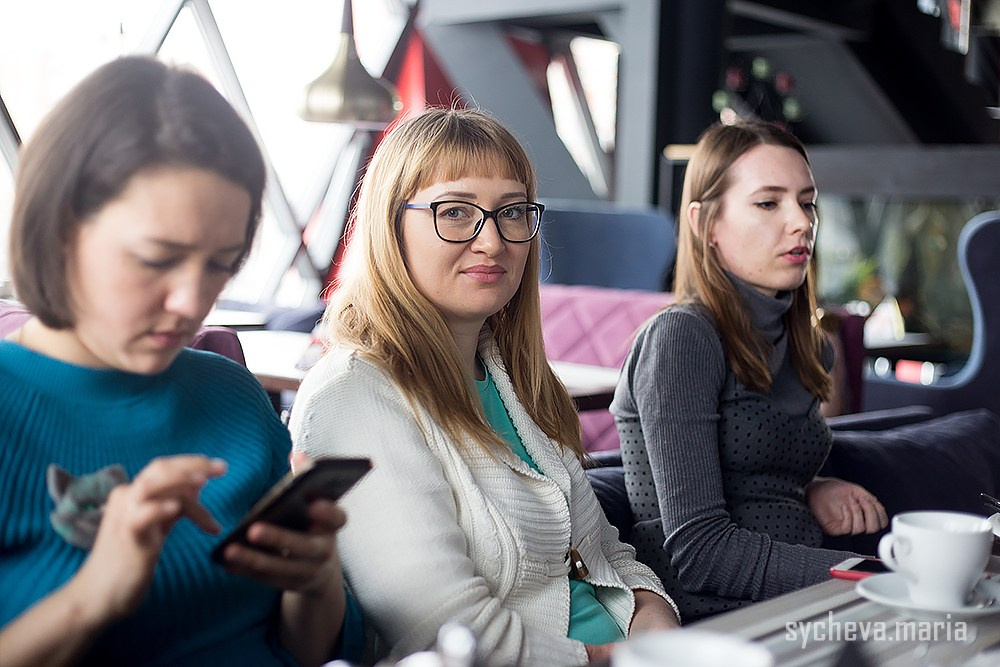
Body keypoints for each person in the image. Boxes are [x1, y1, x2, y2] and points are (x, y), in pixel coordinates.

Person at [288, 107, 679, 666]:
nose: (493, 241)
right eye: (455, 212)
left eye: (512, 212)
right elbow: (443, 627)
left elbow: (605, 554)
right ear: (390, 225)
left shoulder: (511, 376)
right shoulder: (353, 396)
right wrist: (621, 659)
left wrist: (653, 613)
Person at [0, 56, 359, 666]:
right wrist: (90, 598)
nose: (193, 302)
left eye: (221, 263)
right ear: (60, 229)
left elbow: (307, 650)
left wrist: (316, 582)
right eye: (155, 258)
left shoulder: (233, 395)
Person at [611, 119, 889, 621]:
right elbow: (700, 553)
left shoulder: (810, 347)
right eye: (769, 203)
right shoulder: (682, 338)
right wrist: (867, 575)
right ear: (705, 224)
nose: (801, 222)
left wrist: (813, 485)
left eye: (807, 202)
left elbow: (761, 471)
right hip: (710, 612)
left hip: (805, 601)